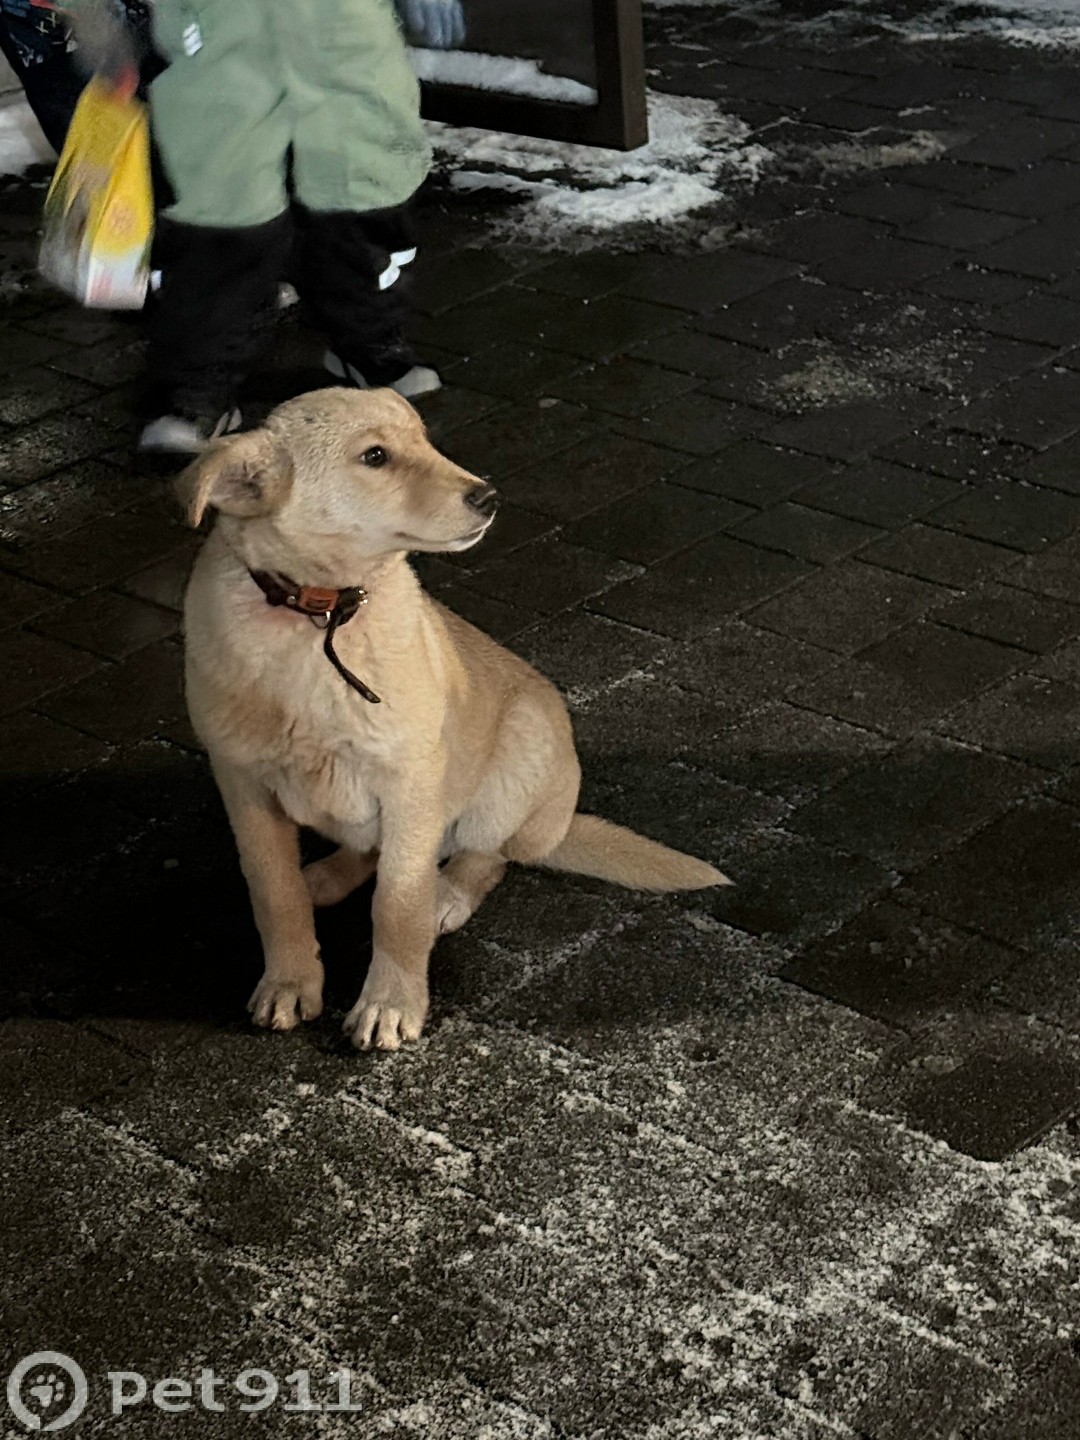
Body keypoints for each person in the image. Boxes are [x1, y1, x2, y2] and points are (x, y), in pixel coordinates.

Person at [64, 0, 464, 460]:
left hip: (345, 44)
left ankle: (368, 343)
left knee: (360, 199)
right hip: (217, 48)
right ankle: (197, 387)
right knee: (222, 219)